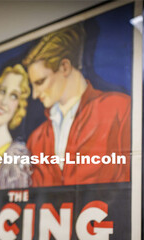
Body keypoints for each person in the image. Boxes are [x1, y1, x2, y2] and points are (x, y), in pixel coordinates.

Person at [23, 23, 131, 187]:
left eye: (40, 82)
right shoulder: (36, 139)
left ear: (64, 67)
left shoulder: (119, 109)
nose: (35, 94)